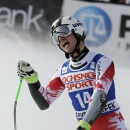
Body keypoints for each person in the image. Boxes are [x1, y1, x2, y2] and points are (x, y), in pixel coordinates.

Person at [17, 16, 127, 130]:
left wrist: (83, 126)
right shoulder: (63, 70)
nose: (60, 39)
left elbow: (100, 96)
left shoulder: (102, 61)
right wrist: (31, 78)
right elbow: (44, 102)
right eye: (56, 37)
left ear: (78, 32)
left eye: (63, 33)